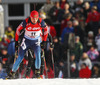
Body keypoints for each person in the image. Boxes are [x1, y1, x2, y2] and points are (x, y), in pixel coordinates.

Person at [7, 10, 48, 79]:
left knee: (38, 55)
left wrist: (44, 41)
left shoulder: (41, 22)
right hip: (26, 41)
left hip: (36, 42)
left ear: (38, 17)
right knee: (20, 57)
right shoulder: (26, 21)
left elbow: (46, 30)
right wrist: (16, 41)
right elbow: (18, 30)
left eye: (36, 18)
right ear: (30, 17)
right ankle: (12, 73)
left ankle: (37, 72)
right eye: (33, 18)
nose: (34, 20)